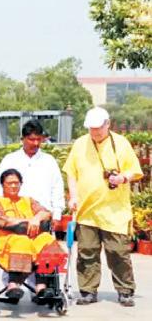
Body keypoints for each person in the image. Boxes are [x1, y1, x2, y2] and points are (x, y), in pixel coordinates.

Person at [63, 107, 144, 307]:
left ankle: (125, 291)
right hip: (87, 210)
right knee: (87, 252)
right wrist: (73, 196)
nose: (95, 132)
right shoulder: (80, 144)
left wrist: (123, 177)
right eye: (91, 129)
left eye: (98, 128)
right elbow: (71, 172)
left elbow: (134, 171)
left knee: (118, 252)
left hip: (114, 211)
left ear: (108, 124)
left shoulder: (121, 143)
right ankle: (88, 291)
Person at [0, 169, 66, 301]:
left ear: (21, 184)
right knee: (21, 242)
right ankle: (13, 284)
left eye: (16, 183)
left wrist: (36, 219)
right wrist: (28, 221)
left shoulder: (28, 200)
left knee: (47, 240)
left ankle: (41, 286)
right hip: (5, 239)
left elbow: (46, 213)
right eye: (9, 183)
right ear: (2, 185)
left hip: (32, 236)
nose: (13, 186)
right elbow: (1, 219)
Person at [0, 120, 65, 221]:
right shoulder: (9, 160)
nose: (36, 143)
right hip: (15, 219)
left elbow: (57, 189)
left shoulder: (49, 161)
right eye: (31, 139)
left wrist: (57, 215)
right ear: (22, 139)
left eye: (38, 139)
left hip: (43, 217)